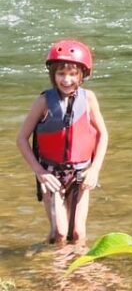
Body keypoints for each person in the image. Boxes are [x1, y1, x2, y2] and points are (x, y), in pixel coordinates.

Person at [16, 39, 109, 244]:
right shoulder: (43, 102)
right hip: (52, 175)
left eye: (72, 74)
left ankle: (76, 271)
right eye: (61, 74)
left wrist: (94, 170)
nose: (66, 79)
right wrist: (40, 172)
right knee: (59, 232)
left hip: (80, 174)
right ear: (53, 75)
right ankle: (54, 268)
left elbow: (103, 135)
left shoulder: (89, 99)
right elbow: (21, 139)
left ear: (82, 74)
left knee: (77, 234)